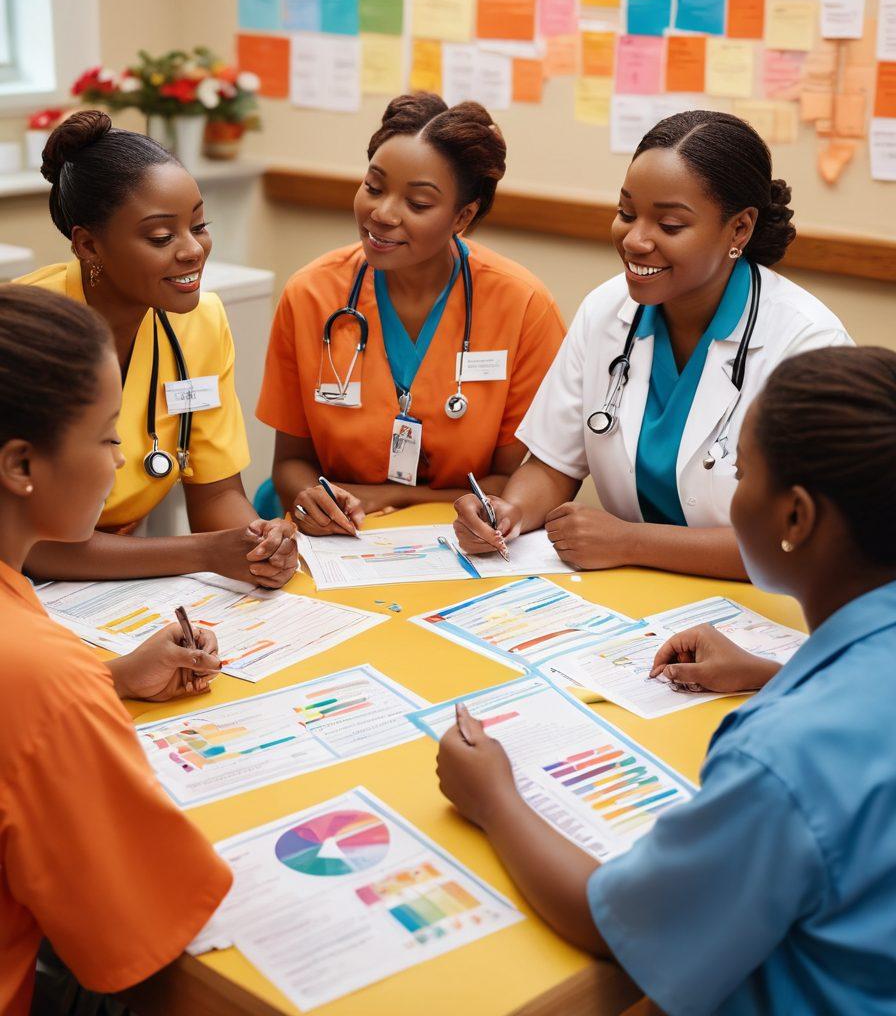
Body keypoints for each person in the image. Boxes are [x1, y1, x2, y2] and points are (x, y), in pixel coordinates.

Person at [437, 345, 896, 1015]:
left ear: (795, 518)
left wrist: (494, 800)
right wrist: (774, 675)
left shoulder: (778, 761)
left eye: (741, 475)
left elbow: (618, 929)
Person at [454, 110, 851, 580]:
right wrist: (507, 512)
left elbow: (797, 543)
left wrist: (630, 542)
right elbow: (553, 466)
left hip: (758, 612)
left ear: (739, 229)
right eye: (626, 213)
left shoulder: (807, 344)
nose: (635, 240)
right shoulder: (606, 311)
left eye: (670, 225)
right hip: (637, 598)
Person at [0, 286, 233, 1016]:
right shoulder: (40, 671)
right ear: (19, 464)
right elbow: (136, 929)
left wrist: (111, 678)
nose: (124, 456)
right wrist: (75, 695)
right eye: (106, 436)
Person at [256, 92, 566, 537]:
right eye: (373, 187)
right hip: (336, 538)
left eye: (417, 204)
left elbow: (511, 481)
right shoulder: (311, 294)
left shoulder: (522, 306)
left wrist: (395, 497)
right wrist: (313, 500)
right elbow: (290, 463)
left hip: (458, 538)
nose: (381, 214)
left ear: (463, 215)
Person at [17, 110, 296, 586]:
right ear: (87, 245)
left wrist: (259, 543)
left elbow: (213, 495)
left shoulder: (201, 323)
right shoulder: (27, 332)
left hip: (114, 581)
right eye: (161, 236)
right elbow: (33, 543)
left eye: (200, 225)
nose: (192, 250)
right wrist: (207, 551)